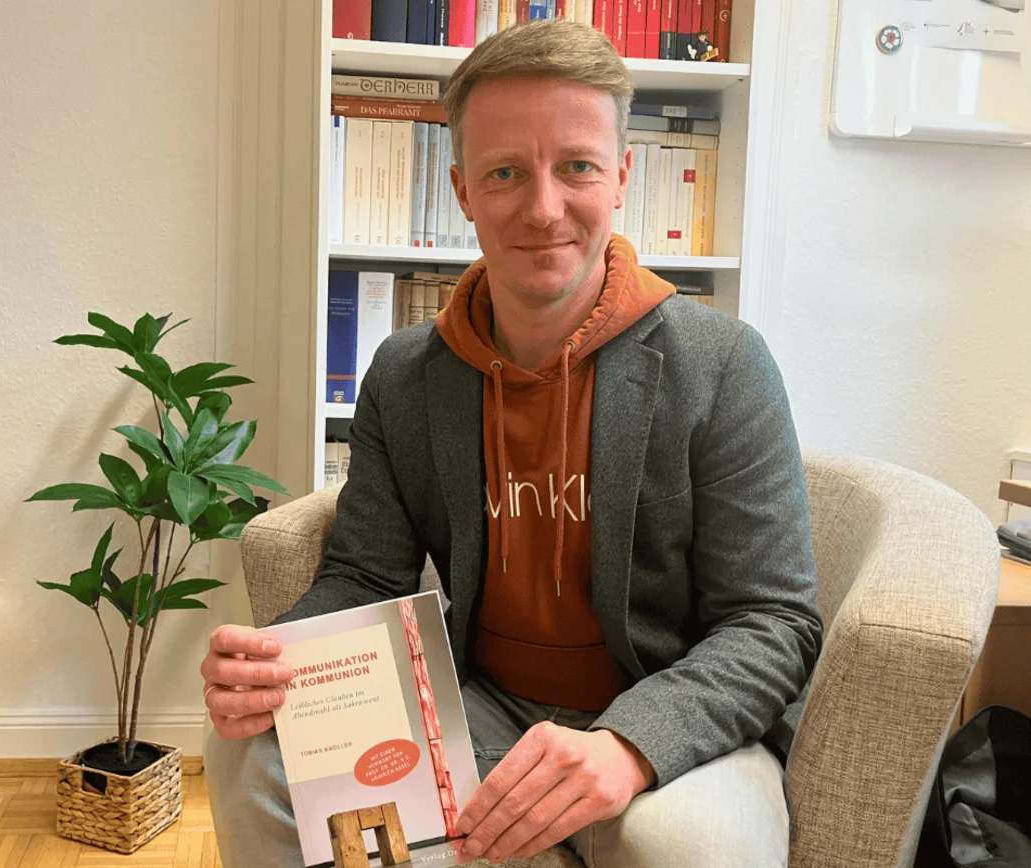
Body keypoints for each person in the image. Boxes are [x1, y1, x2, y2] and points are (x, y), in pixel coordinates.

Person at [202, 18, 821, 868]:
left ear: (620, 178)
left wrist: (629, 745)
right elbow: (365, 574)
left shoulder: (724, 364)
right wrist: (278, 659)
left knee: (684, 846)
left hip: (672, 727)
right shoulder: (408, 372)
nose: (542, 207)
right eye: (505, 173)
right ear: (461, 189)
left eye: (576, 167)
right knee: (247, 757)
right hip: (482, 707)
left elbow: (773, 621)